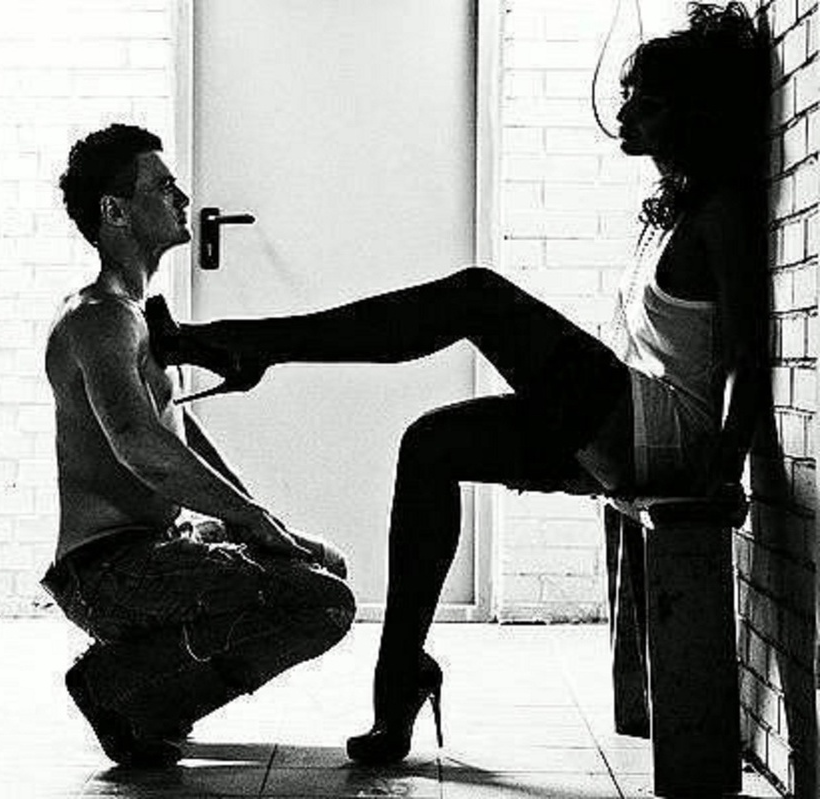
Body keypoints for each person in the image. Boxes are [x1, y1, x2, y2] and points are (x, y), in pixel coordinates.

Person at [146, 2, 768, 765]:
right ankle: (399, 679)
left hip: (663, 435)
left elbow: (749, 354)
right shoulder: (677, 211)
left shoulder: (722, 212)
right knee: (431, 443)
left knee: (478, 295)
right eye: (630, 93)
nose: (625, 111)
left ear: (694, 116)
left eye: (649, 101)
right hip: (632, 427)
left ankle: (247, 346)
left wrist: (722, 470)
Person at [40, 123, 355, 768]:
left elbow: (181, 436)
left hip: (157, 547)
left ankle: (150, 690)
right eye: (163, 187)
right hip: (108, 572)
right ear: (115, 211)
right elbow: (138, 446)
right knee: (321, 602)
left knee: (325, 564)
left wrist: (257, 519)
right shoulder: (97, 319)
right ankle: (117, 686)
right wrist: (250, 521)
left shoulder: (135, 314)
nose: (182, 198)